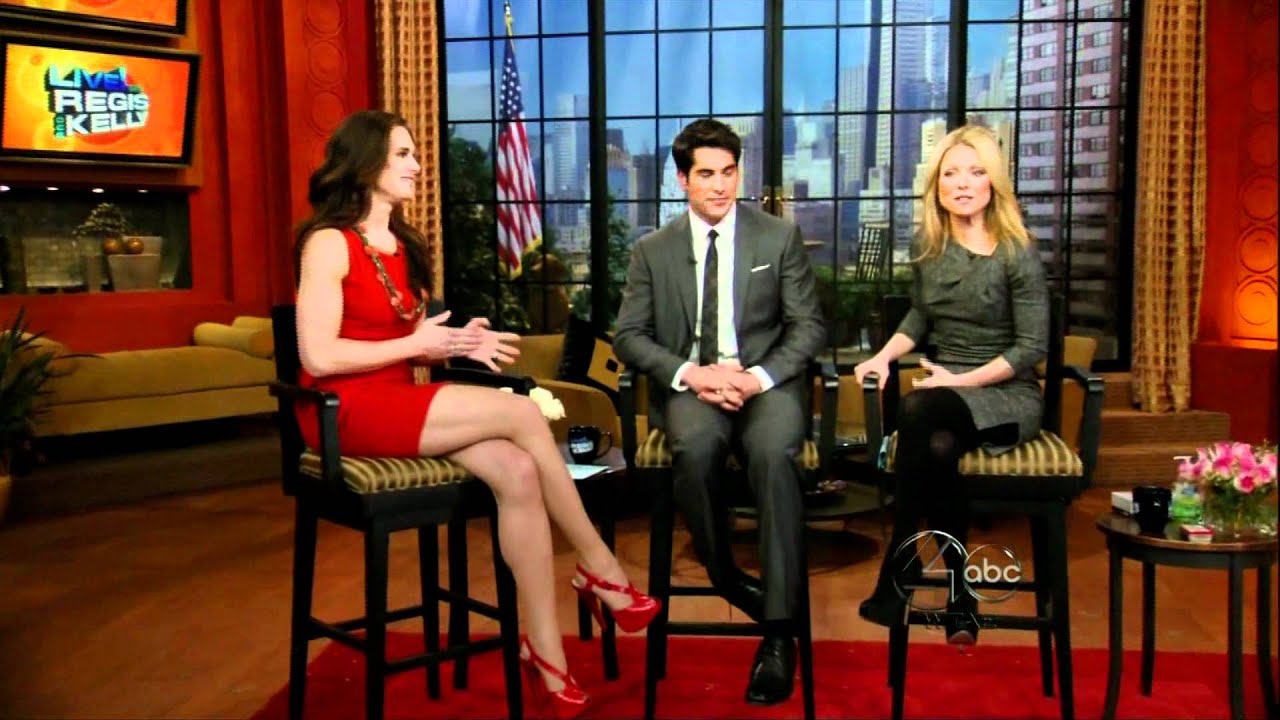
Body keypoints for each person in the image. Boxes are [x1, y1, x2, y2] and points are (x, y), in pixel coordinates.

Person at [292, 109, 659, 718]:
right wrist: (419, 344)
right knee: (521, 413)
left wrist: (458, 342)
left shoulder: (403, 245)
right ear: (365, 162)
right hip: (344, 410)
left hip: (399, 399)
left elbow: (406, 338)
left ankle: (546, 658)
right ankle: (600, 567)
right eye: (403, 154)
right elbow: (319, 355)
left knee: (518, 470)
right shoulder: (328, 242)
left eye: (414, 153)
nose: (417, 165)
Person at [614, 118, 826, 706]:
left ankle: (777, 635)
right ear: (682, 179)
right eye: (706, 174)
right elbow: (629, 336)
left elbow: (808, 327)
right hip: (694, 389)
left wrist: (755, 378)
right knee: (696, 446)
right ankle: (726, 576)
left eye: (729, 172)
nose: (721, 185)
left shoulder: (776, 238)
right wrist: (693, 374)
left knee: (773, 454)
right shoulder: (652, 251)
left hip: (765, 386)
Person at [853, 124, 1049, 646]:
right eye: (951, 173)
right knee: (937, 447)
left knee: (918, 411)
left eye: (976, 172)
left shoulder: (1017, 251)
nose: (962, 183)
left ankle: (901, 568)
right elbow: (920, 315)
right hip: (948, 391)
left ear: (993, 183)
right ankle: (961, 595)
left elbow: (1031, 347)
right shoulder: (929, 244)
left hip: (1006, 391)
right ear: (936, 185)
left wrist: (961, 380)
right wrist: (882, 357)